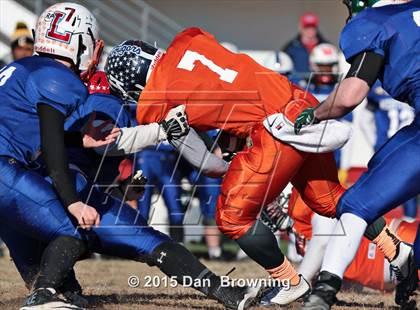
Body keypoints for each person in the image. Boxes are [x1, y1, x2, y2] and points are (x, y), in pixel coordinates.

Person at [105, 30, 408, 306]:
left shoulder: (159, 98)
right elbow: (223, 88)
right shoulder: (189, 41)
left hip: (276, 129)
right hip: (301, 101)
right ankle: (396, 249)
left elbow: (208, 164)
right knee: (329, 200)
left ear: (133, 83)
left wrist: (230, 162)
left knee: (231, 214)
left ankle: (290, 281)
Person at [1, 66, 259, 310]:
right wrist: (160, 131)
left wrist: (123, 184)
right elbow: (105, 142)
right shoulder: (106, 99)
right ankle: (43, 293)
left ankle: (48, 289)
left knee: (69, 292)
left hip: (24, 198)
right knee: (141, 240)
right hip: (64, 188)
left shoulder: (60, 92)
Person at [294, 0, 419, 308]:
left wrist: (314, 114)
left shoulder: (375, 23)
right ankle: (409, 270)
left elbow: (348, 97)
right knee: (381, 165)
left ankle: (325, 288)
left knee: (356, 202)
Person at [362, 81, 417, 222]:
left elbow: (364, 120)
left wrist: (374, 142)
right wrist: (374, 141)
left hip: (390, 145)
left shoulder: (379, 88)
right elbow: (365, 119)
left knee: (382, 186)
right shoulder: (412, 85)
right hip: (406, 145)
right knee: (405, 186)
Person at [282, 12, 328, 80]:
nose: (310, 30)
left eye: (312, 27)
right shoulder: (290, 48)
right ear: (301, 27)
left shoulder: (325, 46)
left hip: (320, 86)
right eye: (307, 27)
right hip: (297, 85)